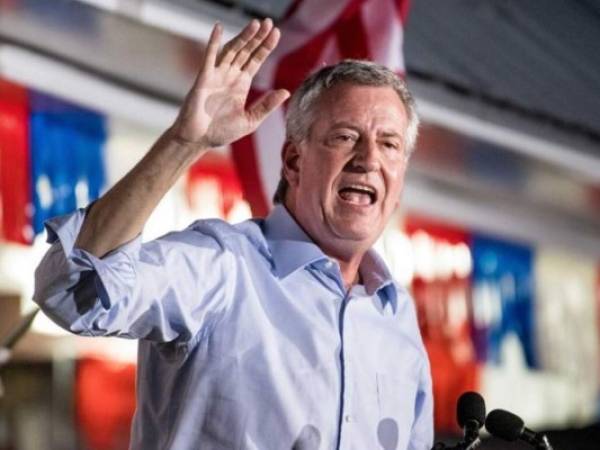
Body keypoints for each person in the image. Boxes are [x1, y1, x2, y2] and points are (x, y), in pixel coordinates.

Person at [34, 18, 433, 450]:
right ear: (294, 162)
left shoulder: (398, 318)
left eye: (390, 144)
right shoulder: (222, 266)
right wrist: (183, 143)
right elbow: (75, 289)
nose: (368, 159)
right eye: (345, 136)